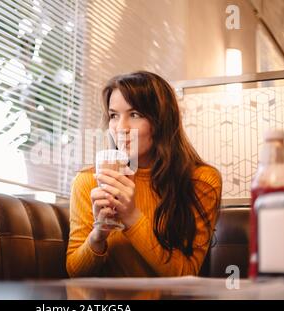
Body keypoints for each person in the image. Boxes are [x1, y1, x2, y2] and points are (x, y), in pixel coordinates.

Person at [66, 71, 222, 277]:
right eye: (114, 116)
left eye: (135, 114)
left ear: (161, 121)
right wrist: (98, 234)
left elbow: (185, 273)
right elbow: (74, 274)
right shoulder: (89, 181)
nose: (121, 128)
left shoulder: (200, 180)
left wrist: (131, 216)